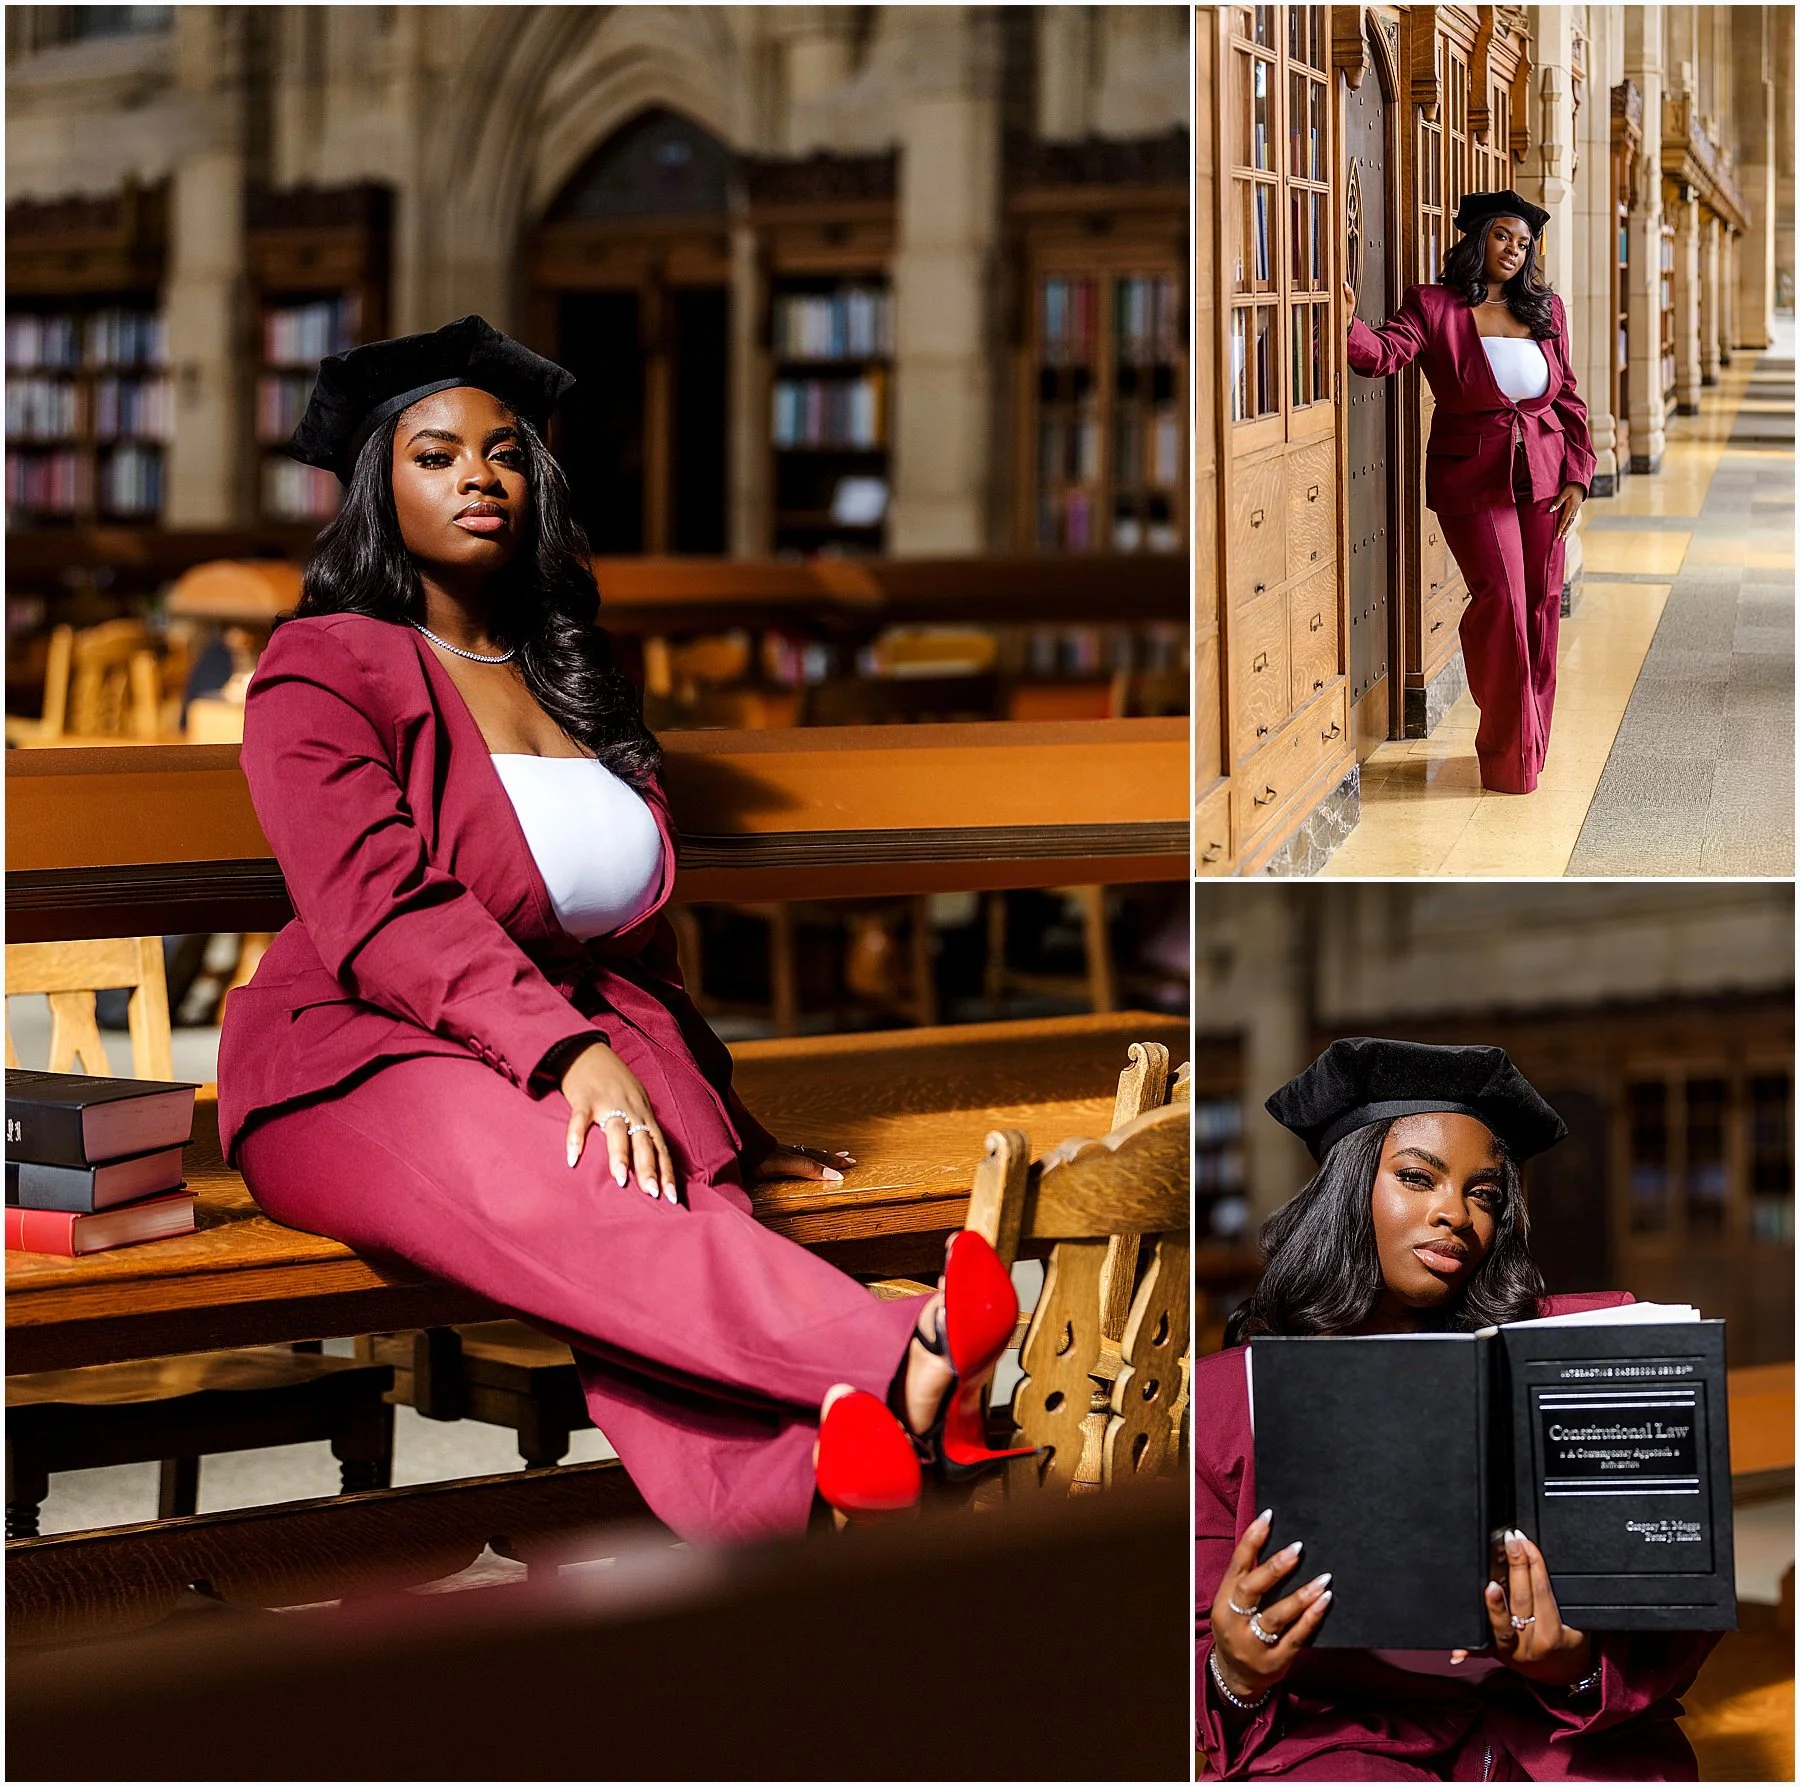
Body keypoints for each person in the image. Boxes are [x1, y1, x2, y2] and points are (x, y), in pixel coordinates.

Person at [216, 315, 1027, 1545]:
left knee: (670, 1194)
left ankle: (809, 1476)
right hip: (359, 1056)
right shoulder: (324, 665)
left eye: (503, 452)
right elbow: (378, 904)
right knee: (596, 1181)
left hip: (578, 1042)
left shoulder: (571, 672)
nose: (478, 475)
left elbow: (634, 951)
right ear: (378, 486)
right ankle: (902, 1357)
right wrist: (568, 1055)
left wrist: (731, 1120)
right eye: (436, 455)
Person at [1195, 1038, 1720, 1780]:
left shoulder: (1570, 1354)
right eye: (1418, 1176)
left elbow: (1672, 1578)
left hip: (1552, 1739)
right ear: (1350, 1189)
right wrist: (1234, 1672)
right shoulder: (1228, 1400)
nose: (1457, 1213)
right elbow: (1186, 1667)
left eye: (1485, 1192)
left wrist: (1569, 1663)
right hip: (1349, 1747)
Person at [1344, 191, 1596, 796]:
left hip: (1544, 475)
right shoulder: (1434, 306)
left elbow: (1567, 397)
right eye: (1504, 236)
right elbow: (1381, 355)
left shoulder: (1547, 311)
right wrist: (1341, 316)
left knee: (1541, 605)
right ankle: (1505, 749)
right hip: (1472, 476)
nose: (1514, 249)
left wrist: (1577, 475)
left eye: (1524, 241)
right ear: (1479, 237)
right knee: (1503, 602)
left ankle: (1529, 742)